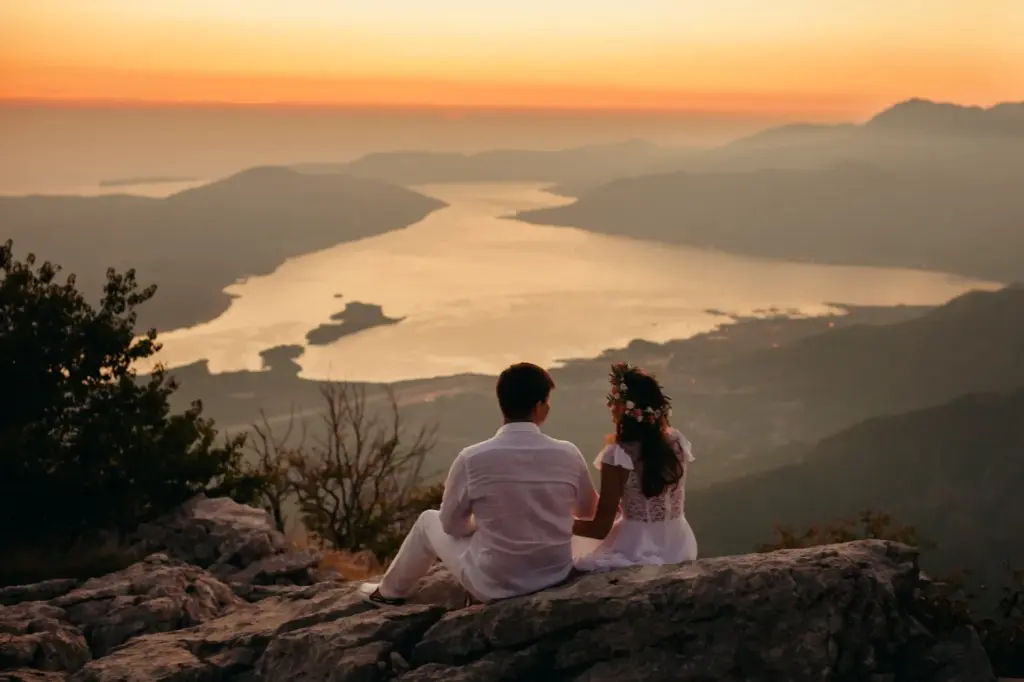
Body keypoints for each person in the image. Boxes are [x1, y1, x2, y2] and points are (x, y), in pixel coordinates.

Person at [359, 362, 598, 605]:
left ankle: (389, 593)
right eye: (547, 402)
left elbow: (451, 525)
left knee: (427, 521)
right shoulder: (568, 453)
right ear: (538, 407)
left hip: (495, 585)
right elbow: (587, 512)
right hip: (555, 574)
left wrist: (479, 526)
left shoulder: (472, 458)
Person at [572, 362, 698, 570]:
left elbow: (600, 528)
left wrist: (561, 524)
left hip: (636, 548)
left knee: (574, 547)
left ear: (626, 408)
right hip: (679, 545)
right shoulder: (677, 443)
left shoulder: (618, 456)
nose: (610, 406)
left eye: (613, 400)